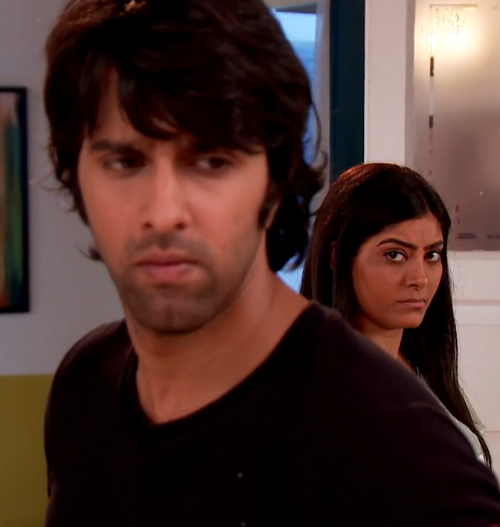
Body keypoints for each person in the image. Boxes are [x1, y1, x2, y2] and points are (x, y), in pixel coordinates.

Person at [43, 1, 500, 526]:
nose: (164, 213)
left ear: (275, 182)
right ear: (75, 175)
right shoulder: (87, 381)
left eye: (211, 162)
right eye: (125, 161)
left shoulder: (396, 442)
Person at [301, 162, 491, 463]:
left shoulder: (423, 370)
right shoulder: (322, 391)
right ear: (338, 256)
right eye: (395, 255)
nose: (420, 279)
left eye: (432, 255)